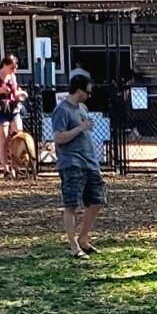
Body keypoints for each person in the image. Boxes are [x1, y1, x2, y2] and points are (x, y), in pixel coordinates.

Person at [48, 71, 106, 257]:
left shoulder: (83, 109)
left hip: (89, 162)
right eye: (87, 93)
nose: (89, 96)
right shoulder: (62, 110)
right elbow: (58, 137)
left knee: (96, 201)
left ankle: (83, 238)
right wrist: (80, 128)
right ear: (79, 91)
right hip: (71, 162)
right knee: (71, 204)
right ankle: (74, 247)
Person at [0, 54, 23, 177]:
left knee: (18, 136)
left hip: (13, 108)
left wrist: (21, 94)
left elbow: (15, 92)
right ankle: (6, 170)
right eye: (12, 67)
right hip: (0, 110)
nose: (14, 70)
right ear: (5, 65)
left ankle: (16, 167)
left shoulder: (13, 77)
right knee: (4, 140)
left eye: (15, 68)